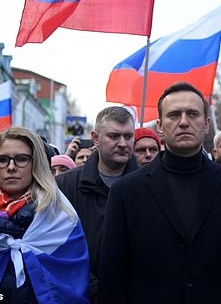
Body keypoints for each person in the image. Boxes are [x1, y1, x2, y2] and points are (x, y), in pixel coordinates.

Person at [99, 82, 221, 303]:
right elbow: (113, 277)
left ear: (206, 124)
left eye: (193, 114)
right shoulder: (126, 192)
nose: (184, 122)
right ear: (160, 126)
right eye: (174, 115)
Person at [0, 126, 89, 303]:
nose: (11, 167)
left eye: (21, 159)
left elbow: (72, 283)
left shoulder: (61, 215)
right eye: (3, 160)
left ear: (36, 163)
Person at [57, 106, 138, 303]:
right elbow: (57, 245)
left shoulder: (149, 185)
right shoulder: (65, 186)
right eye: (114, 136)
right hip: (78, 294)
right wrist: (95, 290)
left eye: (128, 136)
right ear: (95, 138)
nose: (122, 143)